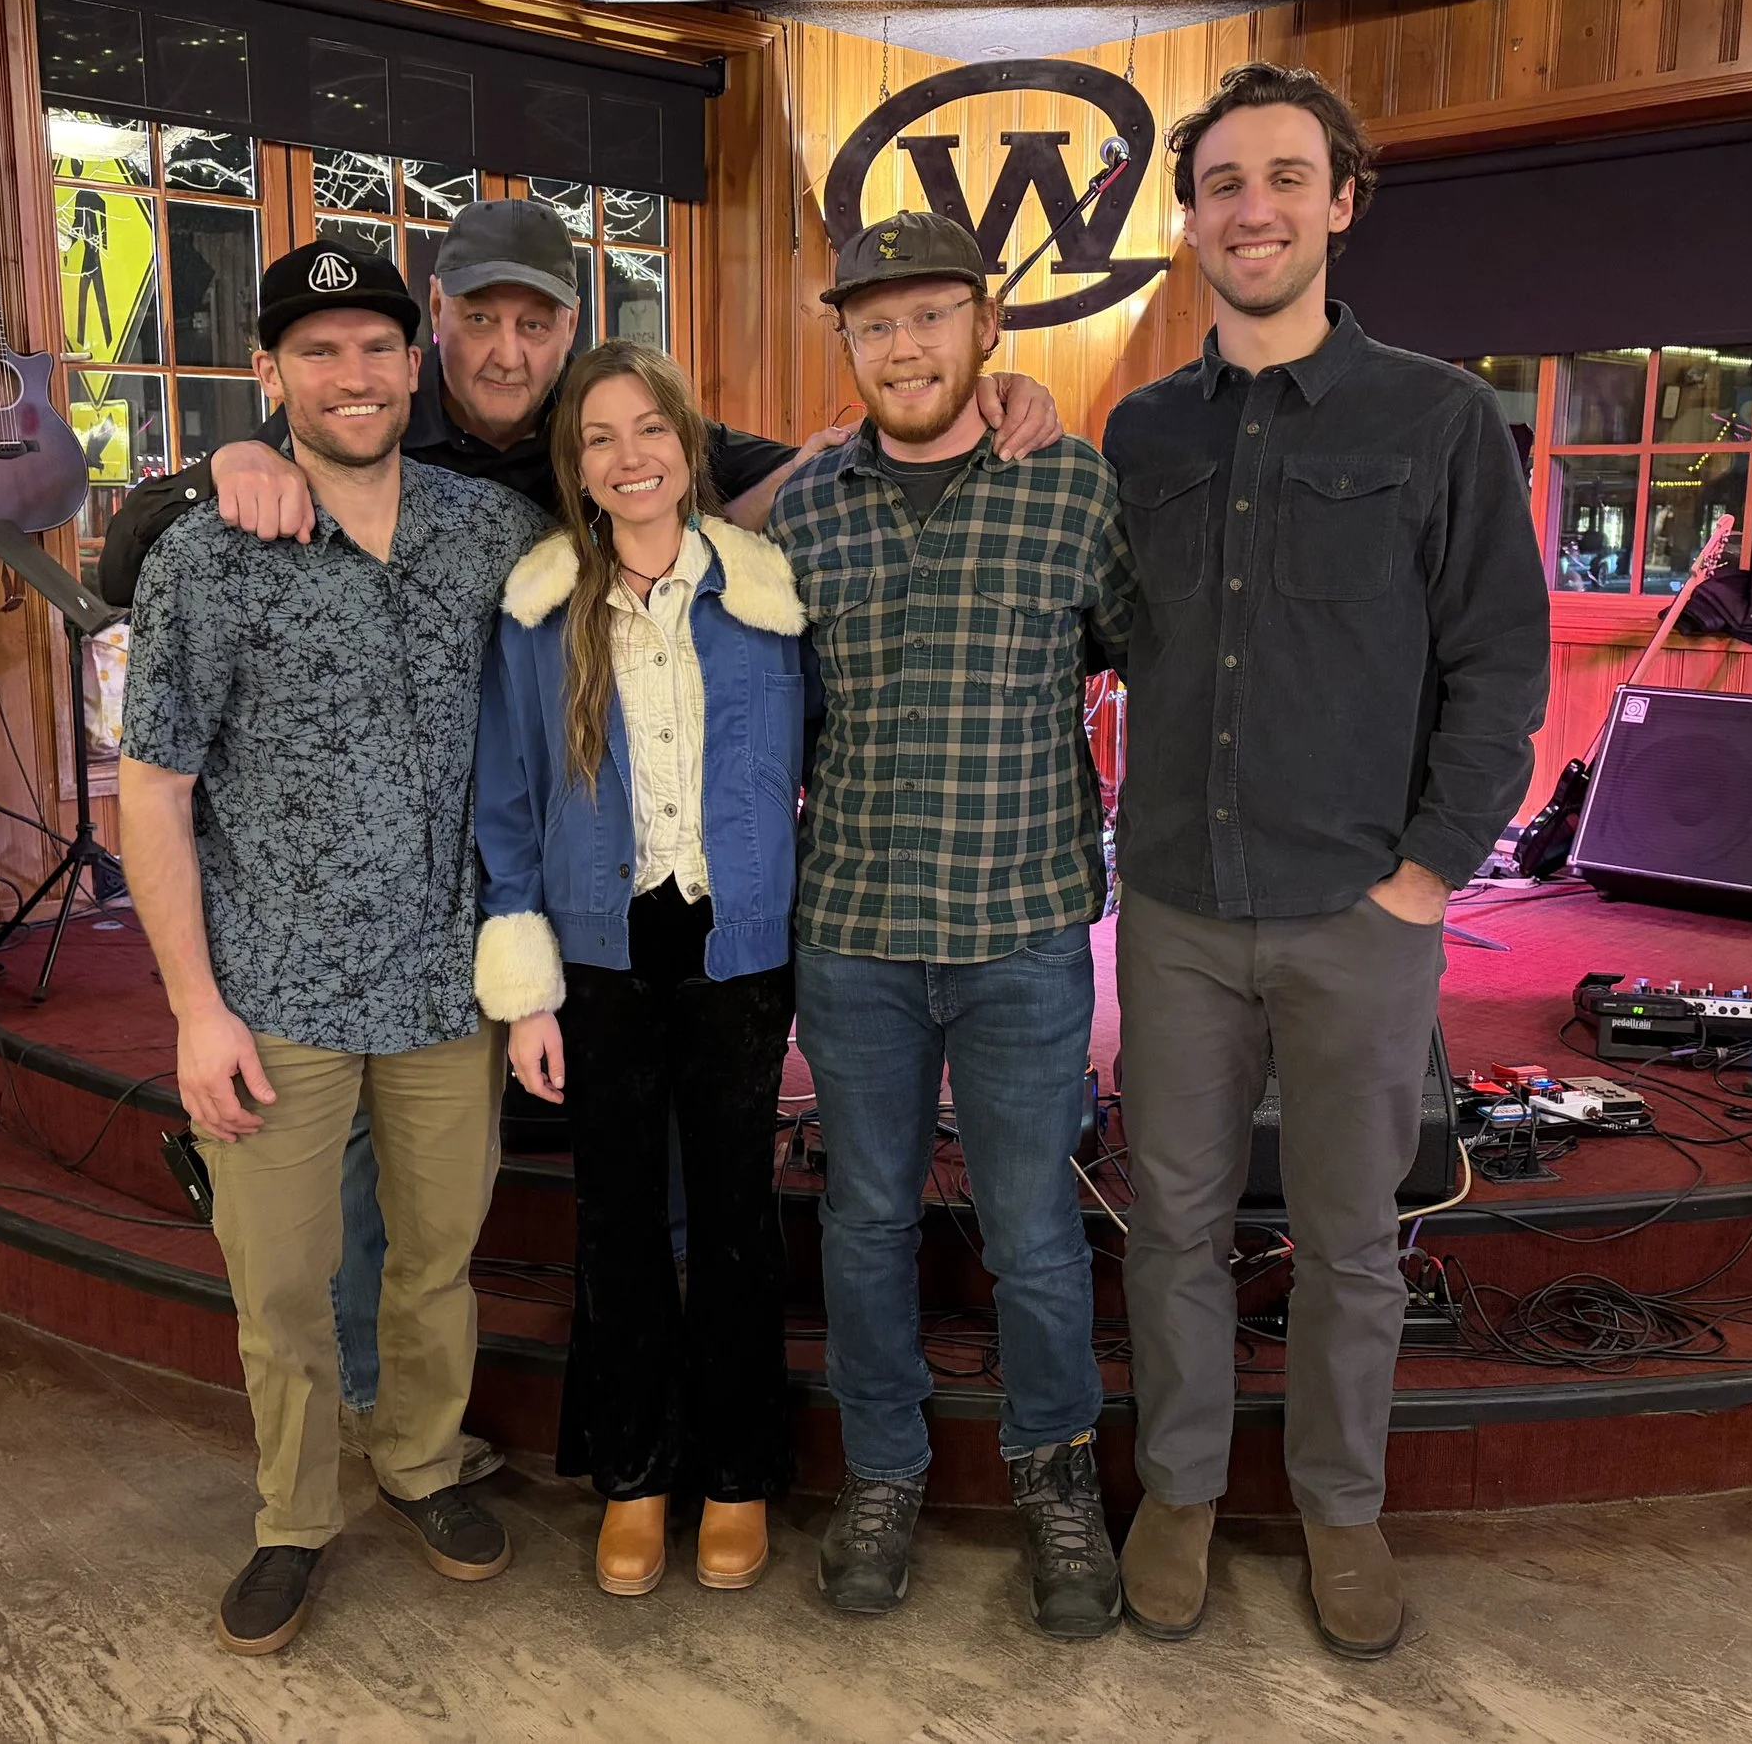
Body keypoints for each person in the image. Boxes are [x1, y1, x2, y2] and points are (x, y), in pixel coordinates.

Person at [98, 198, 1066, 1476]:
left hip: (520, 930)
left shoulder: (585, 439)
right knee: (352, 1219)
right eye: (480, 318)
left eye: (535, 321)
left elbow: (791, 470)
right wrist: (232, 455)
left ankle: (476, 1450)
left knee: (481, 1220)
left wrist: (956, 405)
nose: (506, 348)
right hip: (373, 935)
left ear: (572, 333)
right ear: (433, 323)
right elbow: (133, 563)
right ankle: (364, 1439)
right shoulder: (358, 430)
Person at [1099, 63, 1550, 1657]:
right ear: (1194, 218)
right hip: (1170, 904)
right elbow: (1099, 621)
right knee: (1172, 1223)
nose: (1256, 208)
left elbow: (1502, 665)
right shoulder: (1140, 427)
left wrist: (1427, 872)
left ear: (1343, 200)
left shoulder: (1435, 416)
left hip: (1362, 909)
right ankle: (1178, 1491)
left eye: (1288, 178)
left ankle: (1341, 1507)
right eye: (1225, 183)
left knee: (1357, 1236)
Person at [118, 239, 547, 1656]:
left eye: (374, 346)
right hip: (276, 989)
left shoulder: (487, 533)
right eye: (317, 350)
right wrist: (194, 1009)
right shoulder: (207, 551)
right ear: (271, 374)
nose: (351, 373)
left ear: (412, 366)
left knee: (436, 1256)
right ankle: (294, 1513)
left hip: (445, 983)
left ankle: (419, 1460)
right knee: (286, 1284)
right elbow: (157, 788)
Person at [765, 210, 1137, 1640]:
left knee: (1035, 1225)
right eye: (875, 322)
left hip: (1024, 931)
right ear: (845, 340)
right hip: (852, 929)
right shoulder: (803, 507)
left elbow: (1139, 655)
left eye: (932, 315)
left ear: (988, 327)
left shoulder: (1074, 487)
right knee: (862, 1219)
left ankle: (1056, 1480)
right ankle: (886, 1469)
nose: (904, 343)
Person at [473, 339, 807, 1597]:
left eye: (648, 431)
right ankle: (633, 1475)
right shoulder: (541, 609)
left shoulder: (769, 596)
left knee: (732, 1225)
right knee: (616, 1226)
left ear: (688, 444)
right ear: (576, 465)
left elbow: (818, 759)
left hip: (736, 951)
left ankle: (732, 1475)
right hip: (599, 954)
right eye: (600, 438)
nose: (629, 458)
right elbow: (505, 796)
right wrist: (526, 992)